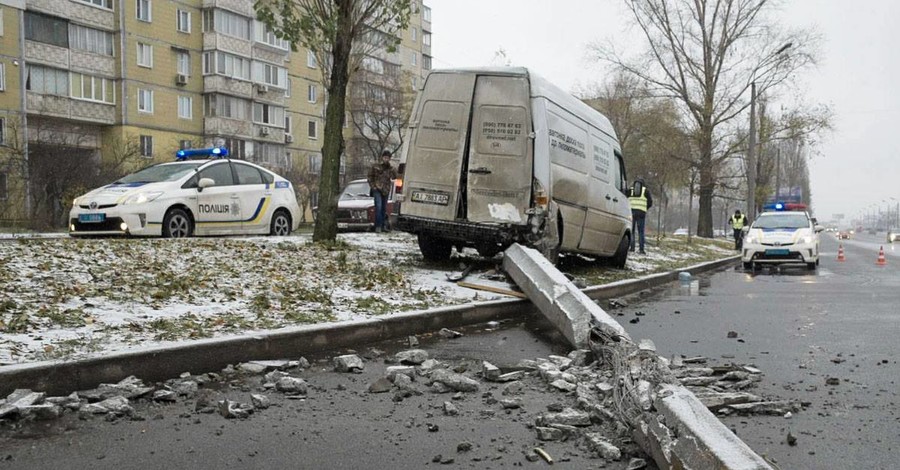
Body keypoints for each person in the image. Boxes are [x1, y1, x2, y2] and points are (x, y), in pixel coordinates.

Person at [367, 149, 397, 233]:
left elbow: (395, 177)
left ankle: (383, 225)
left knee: (384, 208)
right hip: (377, 189)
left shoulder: (390, 168)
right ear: (382, 158)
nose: (386, 159)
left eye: (387, 158)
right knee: (379, 207)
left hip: (386, 190)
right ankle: (378, 226)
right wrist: (373, 186)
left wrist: (393, 169)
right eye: (385, 157)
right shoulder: (376, 166)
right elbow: (370, 177)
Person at [628, 178, 652, 254]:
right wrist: (645, 208)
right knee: (641, 232)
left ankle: (632, 248)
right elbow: (650, 202)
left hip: (631, 212)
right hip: (641, 213)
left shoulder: (631, 190)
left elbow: (625, 197)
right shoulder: (645, 191)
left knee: (632, 231)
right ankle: (641, 250)